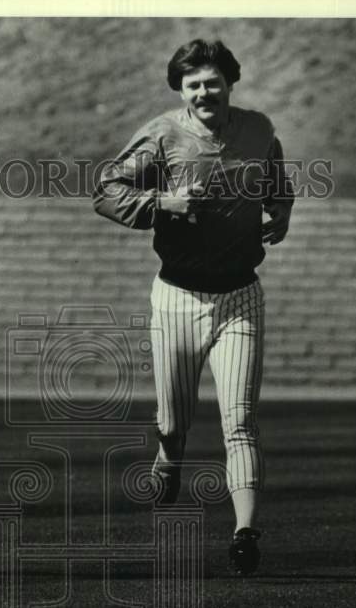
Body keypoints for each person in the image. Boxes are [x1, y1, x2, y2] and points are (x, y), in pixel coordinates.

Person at [93, 38, 293, 575]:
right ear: (181, 91)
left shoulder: (258, 130)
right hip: (179, 297)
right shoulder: (161, 135)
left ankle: (245, 531)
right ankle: (169, 454)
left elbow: (278, 183)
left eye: (213, 82)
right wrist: (162, 202)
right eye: (193, 85)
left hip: (240, 296)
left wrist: (281, 210)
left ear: (230, 83)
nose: (205, 92)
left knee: (241, 422)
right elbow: (106, 189)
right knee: (174, 421)